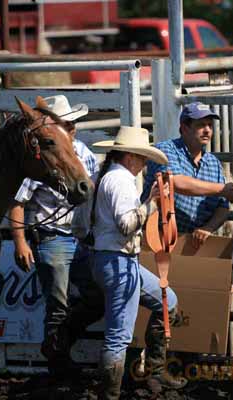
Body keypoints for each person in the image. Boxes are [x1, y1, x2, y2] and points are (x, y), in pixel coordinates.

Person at [74, 126, 186, 399]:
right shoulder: (121, 181)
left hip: (109, 259)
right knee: (118, 336)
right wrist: (151, 204)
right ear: (130, 157)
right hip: (119, 263)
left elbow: (80, 224)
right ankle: (111, 393)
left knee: (167, 301)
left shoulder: (104, 177)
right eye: (142, 157)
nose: (145, 163)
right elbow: (127, 224)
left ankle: (154, 372)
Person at [9, 95, 103, 372]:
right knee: (58, 303)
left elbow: (93, 195)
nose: (72, 128)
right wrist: (20, 241)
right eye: (67, 123)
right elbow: (19, 201)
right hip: (52, 235)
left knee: (95, 297)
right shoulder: (41, 158)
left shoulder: (84, 153)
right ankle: (58, 361)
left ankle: (57, 343)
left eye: (73, 123)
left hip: (80, 237)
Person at [141, 102, 233, 248]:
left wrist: (208, 228)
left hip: (195, 244)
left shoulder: (213, 163)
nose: (207, 130)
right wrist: (224, 189)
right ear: (184, 128)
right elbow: (176, 182)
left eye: (209, 125)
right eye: (201, 125)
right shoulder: (164, 150)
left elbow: (223, 206)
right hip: (157, 239)